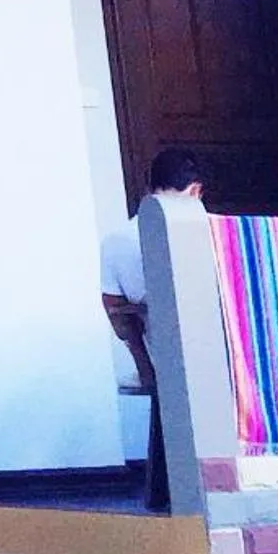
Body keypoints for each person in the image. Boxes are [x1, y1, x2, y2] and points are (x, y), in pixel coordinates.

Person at [99, 146, 204, 513]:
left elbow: (115, 311)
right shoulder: (198, 229)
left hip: (159, 359)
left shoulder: (116, 240)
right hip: (208, 353)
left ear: (149, 186)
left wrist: (145, 366)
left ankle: (162, 494)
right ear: (196, 191)